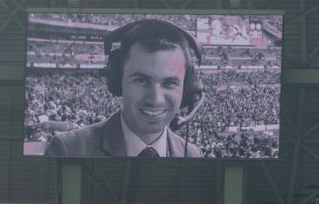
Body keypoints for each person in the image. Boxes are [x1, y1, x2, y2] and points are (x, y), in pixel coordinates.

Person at [44, 19, 204, 158]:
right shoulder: (67, 149)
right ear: (118, 79)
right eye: (141, 80)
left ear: (188, 87)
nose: (155, 99)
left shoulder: (193, 155)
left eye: (169, 83)